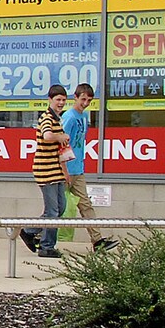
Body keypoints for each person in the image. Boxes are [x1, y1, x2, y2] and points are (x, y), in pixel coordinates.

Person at [61, 83, 112, 251]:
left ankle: (97, 241)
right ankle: (33, 231)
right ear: (75, 97)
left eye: (89, 100)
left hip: (78, 169)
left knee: (85, 205)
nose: (85, 103)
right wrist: (64, 170)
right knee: (57, 208)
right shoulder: (69, 117)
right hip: (66, 169)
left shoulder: (84, 117)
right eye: (83, 99)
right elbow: (61, 144)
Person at [22, 85, 70, 258]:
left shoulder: (58, 119)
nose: (61, 103)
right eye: (58, 99)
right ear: (50, 100)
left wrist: (65, 172)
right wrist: (61, 137)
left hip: (56, 169)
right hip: (45, 169)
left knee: (60, 208)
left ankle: (29, 230)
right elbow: (47, 136)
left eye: (64, 100)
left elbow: (59, 149)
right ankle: (46, 246)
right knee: (52, 211)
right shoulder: (46, 118)